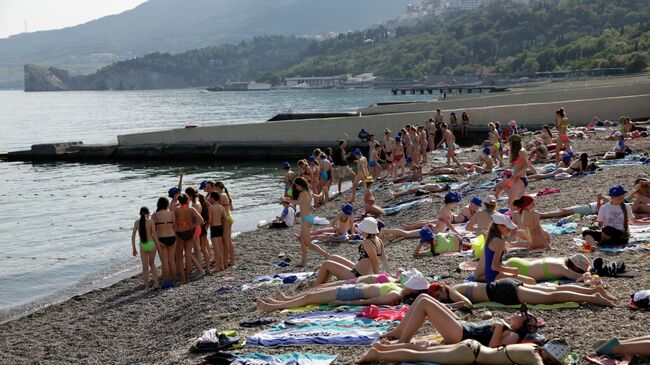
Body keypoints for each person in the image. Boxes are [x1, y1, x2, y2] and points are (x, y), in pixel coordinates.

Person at [380, 294, 540, 346]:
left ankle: (403, 341)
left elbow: (492, 350)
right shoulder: (508, 326)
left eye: (522, 315)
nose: (518, 313)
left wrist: (498, 328)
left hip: (462, 335)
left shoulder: (514, 336)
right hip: (464, 326)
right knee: (423, 296)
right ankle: (399, 331)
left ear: (523, 325)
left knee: (424, 303)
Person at [355, 339, 571, 365]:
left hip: (472, 346)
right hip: (470, 355)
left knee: (425, 349)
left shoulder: (533, 346)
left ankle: (384, 347)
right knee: (420, 355)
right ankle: (378, 355)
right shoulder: (535, 357)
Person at [427, 279, 616, 308]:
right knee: (553, 290)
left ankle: (592, 297)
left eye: (438, 295)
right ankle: (591, 289)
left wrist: (448, 306)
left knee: (550, 297)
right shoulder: (458, 285)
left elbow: (466, 304)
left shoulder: (452, 293)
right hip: (502, 285)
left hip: (502, 292)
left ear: (443, 289)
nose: (440, 299)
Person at [314, 217, 388, 284]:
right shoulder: (378, 240)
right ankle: (323, 282)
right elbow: (384, 259)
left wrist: (376, 279)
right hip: (358, 270)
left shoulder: (367, 242)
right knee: (333, 257)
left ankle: (316, 288)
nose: (361, 231)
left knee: (326, 264)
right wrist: (389, 274)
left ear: (367, 231)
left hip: (357, 276)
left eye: (363, 230)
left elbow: (375, 262)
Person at [256, 281, 406, 312]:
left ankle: (273, 307)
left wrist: (345, 302)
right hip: (354, 288)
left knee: (310, 298)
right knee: (311, 294)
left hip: (351, 293)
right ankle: (284, 301)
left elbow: (369, 302)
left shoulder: (394, 295)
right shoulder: (399, 287)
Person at [474, 213, 535, 284]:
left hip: (490, 276)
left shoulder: (491, 238)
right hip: (494, 277)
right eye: (508, 228)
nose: (509, 230)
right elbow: (494, 266)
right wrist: (511, 270)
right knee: (531, 281)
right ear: (500, 227)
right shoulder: (499, 241)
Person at [582, 184, 650, 246]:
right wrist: (595, 227)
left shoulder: (627, 207)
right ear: (612, 197)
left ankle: (601, 243)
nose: (622, 200)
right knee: (586, 232)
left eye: (622, 197)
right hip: (607, 234)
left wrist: (648, 223)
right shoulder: (604, 208)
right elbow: (600, 225)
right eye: (619, 198)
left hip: (621, 236)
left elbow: (634, 222)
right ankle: (595, 246)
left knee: (606, 229)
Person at [283, 177, 327, 267]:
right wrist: (323, 191)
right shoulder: (309, 191)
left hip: (306, 219)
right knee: (302, 242)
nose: (296, 188)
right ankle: (303, 262)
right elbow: (319, 197)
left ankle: (327, 255)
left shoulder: (303, 193)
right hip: (307, 218)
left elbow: (299, 203)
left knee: (309, 244)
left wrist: (288, 200)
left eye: (297, 186)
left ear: (301, 185)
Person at [173, 194, 205, 283]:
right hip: (189, 232)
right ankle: (187, 278)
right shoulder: (191, 209)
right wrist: (194, 225)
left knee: (179, 257)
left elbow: (173, 223)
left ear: (179, 201)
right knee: (188, 255)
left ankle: (183, 279)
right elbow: (201, 220)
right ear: (187, 201)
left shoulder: (176, 210)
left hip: (179, 233)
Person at [505, 254, 592, 282]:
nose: (580, 272)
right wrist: (589, 273)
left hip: (520, 263)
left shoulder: (562, 260)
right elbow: (578, 277)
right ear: (574, 266)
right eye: (580, 270)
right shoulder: (561, 268)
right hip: (520, 270)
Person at [131, 207, 159, 291]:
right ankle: (156, 284)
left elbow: (133, 237)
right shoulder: (150, 221)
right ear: (148, 213)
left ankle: (146, 287)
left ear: (140, 214)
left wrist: (134, 248)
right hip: (151, 244)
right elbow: (154, 235)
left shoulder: (136, 222)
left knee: (145, 268)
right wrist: (158, 246)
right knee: (152, 264)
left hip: (143, 245)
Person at [152, 197, 176, 288]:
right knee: (171, 261)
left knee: (164, 262)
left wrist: (157, 242)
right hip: (172, 237)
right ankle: (174, 281)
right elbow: (174, 227)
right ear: (166, 204)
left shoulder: (155, 215)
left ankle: (166, 282)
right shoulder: (172, 213)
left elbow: (153, 231)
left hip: (161, 239)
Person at [504, 135, 529, 209]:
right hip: (520, 179)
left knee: (511, 203)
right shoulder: (519, 151)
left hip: (520, 179)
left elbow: (526, 165)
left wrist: (514, 175)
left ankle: (518, 219)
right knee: (518, 203)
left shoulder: (521, 151)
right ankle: (522, 218)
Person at [214, 181, 235, 267]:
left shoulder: (221, 195)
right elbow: (232, 208)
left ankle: (226, 262)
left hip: (225, 219)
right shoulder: (226, 194)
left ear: (218, 187)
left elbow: (220, 209)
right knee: (228, 240)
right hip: (229, 217)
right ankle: (232, 260)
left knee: (225, 241)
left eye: (215, 187)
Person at [207, 191, 227, 272]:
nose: (209, 198)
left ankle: (218, 266)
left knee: (216, 248)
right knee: (220, 247)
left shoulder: (210, 208)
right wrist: (220, 220)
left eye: (210, 197)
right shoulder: (221, 207)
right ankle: (221, 265)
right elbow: (225, 218)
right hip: (220, 227)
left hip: (214, 228)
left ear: (212, 198)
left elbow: (210, 220)